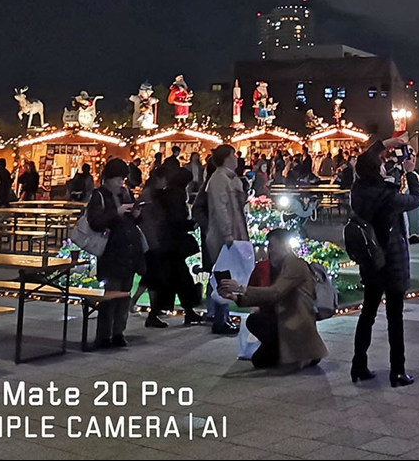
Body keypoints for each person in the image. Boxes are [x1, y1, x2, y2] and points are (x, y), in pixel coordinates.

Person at [349, 149, 419, 386]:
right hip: (392, 261)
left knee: (367, 313)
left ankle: (358, 365)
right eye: (381, 165)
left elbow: (370, 166)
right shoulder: (388, 197)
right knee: (395, 318)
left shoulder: (358, 191)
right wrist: (411, 174)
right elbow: (415, 200)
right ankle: (397, 371)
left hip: (371, 260)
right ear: (376, 170)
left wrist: (390, 153)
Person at [218, 229, 327, 370]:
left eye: (272, 246)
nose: (270, 250)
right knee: (259, 358)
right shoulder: (279, 265)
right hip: (283, 317)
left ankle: (303, 352)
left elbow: (275, 292)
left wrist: (240, 288)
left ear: (284, 245)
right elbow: (267, 296)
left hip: (294, 319)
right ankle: (286, 351)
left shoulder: (295, 264)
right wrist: (235, 297)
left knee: (257, 324)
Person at [86, 158, 146, 348]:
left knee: (124, 294)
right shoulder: (99, 196)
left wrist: (137, 215)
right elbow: (95, 222)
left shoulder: (126, 193)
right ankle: (104, 335)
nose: (121, 183)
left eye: (123, 179)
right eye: (118, 179)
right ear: (108, 178)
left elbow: (136, 219)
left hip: (129, 251)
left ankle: (119, 332)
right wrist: (117, 212)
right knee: (111, 295)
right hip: (111, 252)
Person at [138, 161, 204, 327]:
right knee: (177, 279)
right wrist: (190, 224)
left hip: (166, 243)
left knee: (176, 280)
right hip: (172, 244)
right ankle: (183, 311)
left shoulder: (166, 194)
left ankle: (182, 312)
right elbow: (175, 220)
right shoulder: (177, 195)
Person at [202, 144, 248, 335]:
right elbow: (221, 209)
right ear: (226, 158)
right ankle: (219, 318)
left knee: (228, 275)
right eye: (234, 155)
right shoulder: (219, 179)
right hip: (224, 237)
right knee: (222, 276)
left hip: (234, 233)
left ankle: (224, 316)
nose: (237, 158)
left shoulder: (230, 178)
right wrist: (228, 233)